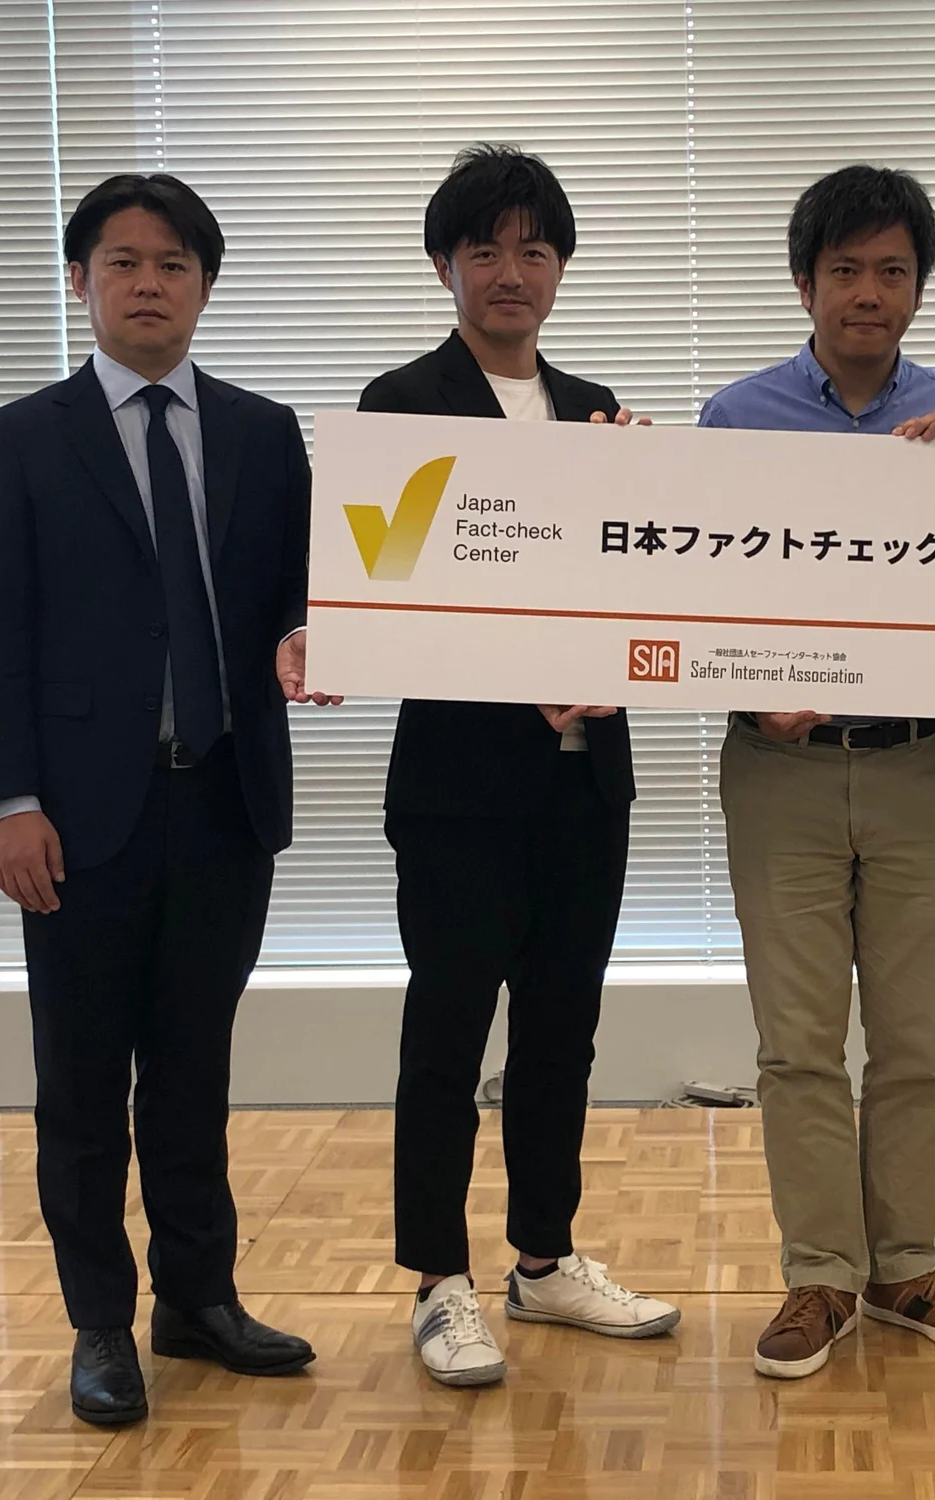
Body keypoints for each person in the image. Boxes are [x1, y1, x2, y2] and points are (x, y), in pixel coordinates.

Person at [0, 173, 337, 1426]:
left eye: (172, 264)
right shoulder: (23, 436)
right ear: (82, 281)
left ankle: (197, 1297)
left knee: (192, 1071)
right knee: (80, 1086)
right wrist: (11, 799)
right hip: (76, 819)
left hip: (224, 802)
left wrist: (307, 638)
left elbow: (300, 591)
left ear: (205, 286)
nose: (146, 284)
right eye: (121, 262)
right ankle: (97, 1325)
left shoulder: (259, 430)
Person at [356, 145, 679, 1388]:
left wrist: (655, 497)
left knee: (563, 1027)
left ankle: (543, 1259)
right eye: (484, 248)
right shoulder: (401, 405)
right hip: (457, 787)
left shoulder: (599, 409)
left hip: (585, 782)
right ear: (445, 264)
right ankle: (438, 1279)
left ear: (560, 270)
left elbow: (644, 587)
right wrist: (512, 674)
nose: (510, 272)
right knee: (446, 1029)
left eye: (533, 249)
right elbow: (392, 599)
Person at [699, 164, 935, 1380]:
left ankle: (905, 1266)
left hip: (920, 765)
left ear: (917, 288)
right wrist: (747, 689)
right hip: (776, 769)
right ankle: (816, 1278)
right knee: (793, 1042)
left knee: (916, 1039)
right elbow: (696, 594)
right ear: (803, 283)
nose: (867, 294)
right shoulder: (736, 420)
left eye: (891, 272)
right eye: (844, 271)